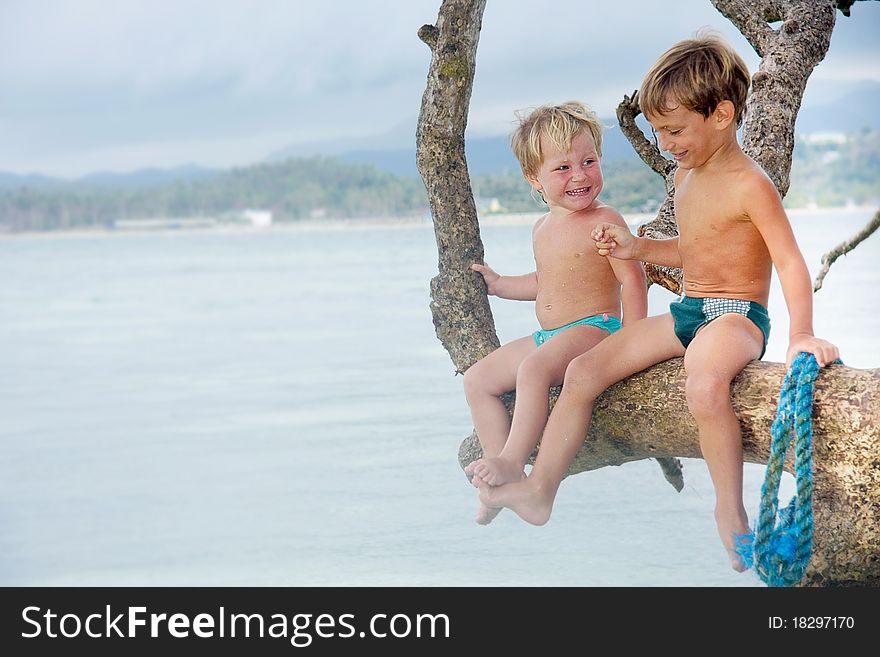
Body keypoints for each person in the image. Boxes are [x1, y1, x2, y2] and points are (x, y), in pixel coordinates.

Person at [476, 35, 840, 570]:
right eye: (658, 132)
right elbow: (697, 250)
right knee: (582, 370)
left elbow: (788, 261)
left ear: (721, 115)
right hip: (690, 312)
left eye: (674, 130)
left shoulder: (749, 184)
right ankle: (538, 490)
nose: (666, 143)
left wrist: (801, 334)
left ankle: (728, 509)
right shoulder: (688, 176)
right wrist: (639, 249)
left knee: (704, 381)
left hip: (736, 317)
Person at [463, 102, 647, 525]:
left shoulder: (604, 220)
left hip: (595, 329)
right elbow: (546, 282)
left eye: (588, 161)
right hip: (552, 335)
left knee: (532, 370)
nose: (580, 176)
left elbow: (632, 280)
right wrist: (499, 284)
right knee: (478, 380)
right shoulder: (542, 228)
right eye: (562, 168)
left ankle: (512, 461)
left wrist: (633, 341)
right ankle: (498, 482)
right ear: (535, 179)